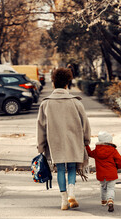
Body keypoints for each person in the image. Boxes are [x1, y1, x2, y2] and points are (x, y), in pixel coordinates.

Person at [37, 67, 91, 210]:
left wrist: (41, 147)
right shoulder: (76, 103)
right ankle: (71, 194)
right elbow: (85, 124)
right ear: (68, 83)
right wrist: (86, 141)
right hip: (74, 141)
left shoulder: (46, 103)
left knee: (60, 169)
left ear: (53, 83)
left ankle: (63, 201)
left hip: (55, 143)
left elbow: (41, 127)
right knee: (72, 168)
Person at [86, 131, 121, 212]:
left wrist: (86, 145)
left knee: (103, 187)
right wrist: (118, 167)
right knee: (111, 188)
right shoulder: (113, 150)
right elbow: (119, 160)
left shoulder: (96, 151)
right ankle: (110, 200)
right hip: (111, 173)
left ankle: (103, 201)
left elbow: (89, 153)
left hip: (101, 174)